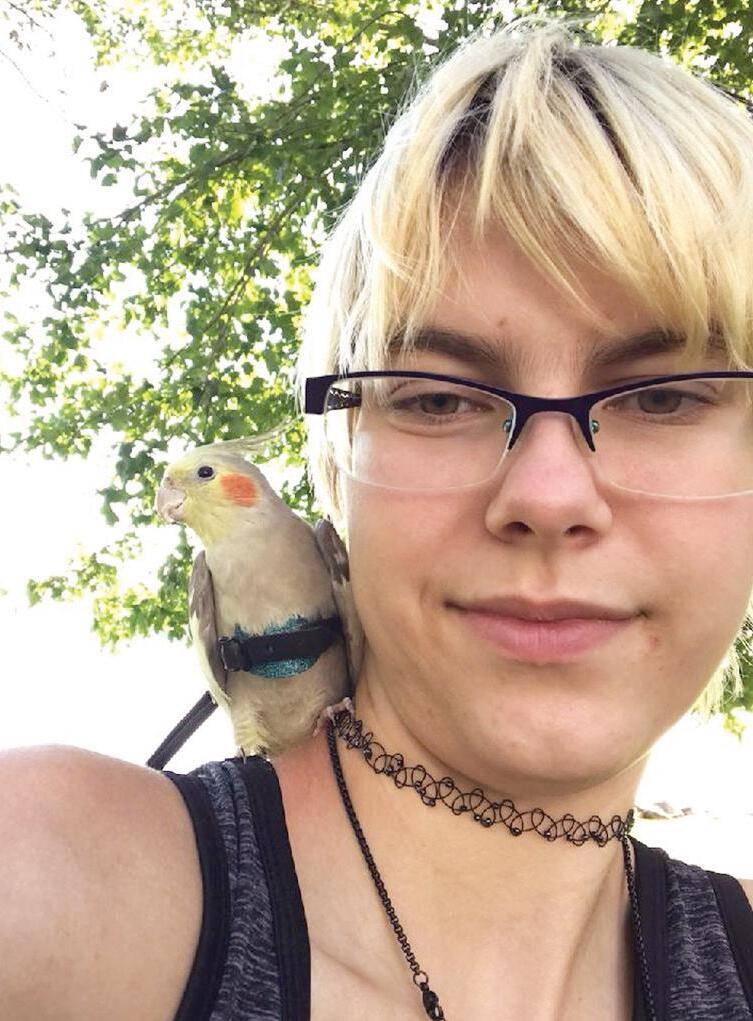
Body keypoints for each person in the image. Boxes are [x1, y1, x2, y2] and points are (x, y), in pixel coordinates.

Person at [2, 17, 753, 1021]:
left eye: (663, 397)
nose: (547, 496)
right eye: (437, 397)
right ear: (337, 471)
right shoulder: (46, 886)